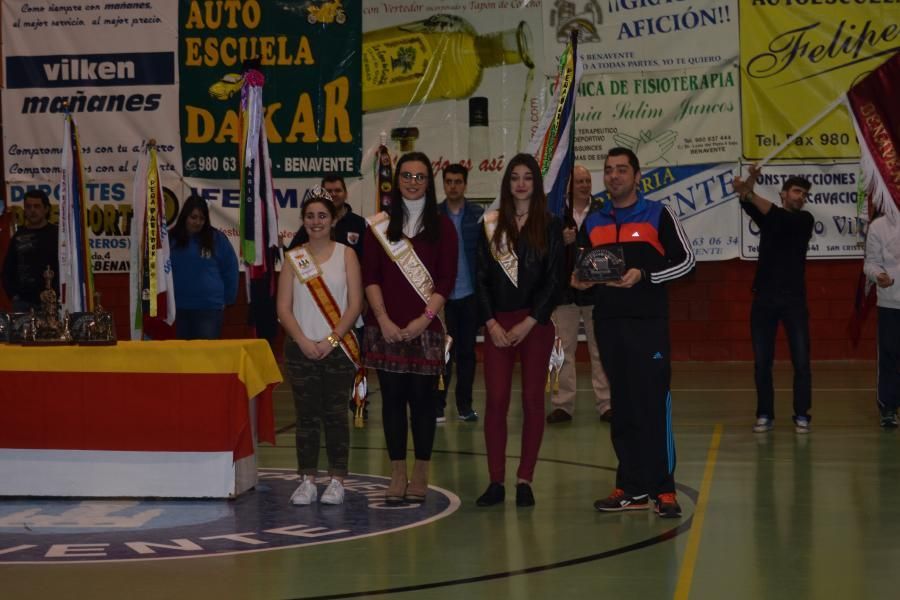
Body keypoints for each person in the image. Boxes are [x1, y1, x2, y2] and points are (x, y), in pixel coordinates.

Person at [575, 147, 694, 518]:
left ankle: (664, 489)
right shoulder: (593, 221)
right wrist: (578, 281)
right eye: (608, 170)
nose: (614, 176)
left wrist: (646, 275)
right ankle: (631, 486)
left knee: (653, 405)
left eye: (622, 170)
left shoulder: (658, 214)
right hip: (608, 324)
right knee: (622, 406)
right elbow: (579, 269)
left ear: (637, 176)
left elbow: (688, 263)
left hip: (648, 326)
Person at [362, 151, 458, 505]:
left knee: (422, 402)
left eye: (419, 176)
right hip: (384, 327)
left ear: (428, 182)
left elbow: (447, 279)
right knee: (392, 401)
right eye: (407, 175)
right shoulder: (379, 226)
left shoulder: (442, 225)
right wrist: (384, 319)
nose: (413, 182)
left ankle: (421, 470)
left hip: (426, 328)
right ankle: (397, 471)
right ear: (396, 179)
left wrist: (424, 320)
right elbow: (370, 277)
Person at [474, 153, 563, 508]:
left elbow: (555, 281)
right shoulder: (491, 224)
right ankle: (496, 481)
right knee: (496, 401)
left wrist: (530, 322)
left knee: (532, 401)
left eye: (528, 177)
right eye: (515, 177)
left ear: (536, 184)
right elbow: (480, 278)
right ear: (507, 183)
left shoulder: (551, 225)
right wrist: (491, 323)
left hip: (535, 325)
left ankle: (524, 479)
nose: (521, 183)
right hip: (498, 325)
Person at [277, 188, 364, 505]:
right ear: (303, 219)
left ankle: (337, 479)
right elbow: (283, 308)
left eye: (322, 216)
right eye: (310, 216)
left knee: (336, 416)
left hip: (337, 351)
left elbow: (355, 305)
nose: (316, 222)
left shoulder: (347, 255)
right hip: (301, 351)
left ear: (333, 219)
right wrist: (303, 341)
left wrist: (332, 339)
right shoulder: (293, 257)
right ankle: (307, 479)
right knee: (306, 418)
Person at [733, 165, 814, 434]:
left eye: (804, 194)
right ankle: (765, 414)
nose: (801, 197)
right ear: (783, 194)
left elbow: (775, 214)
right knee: (762, 362)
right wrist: (751, 181)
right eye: (796, 191)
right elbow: (746, 199)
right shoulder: (768, 217)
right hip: (764, 300)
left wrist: (749, 189)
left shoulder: (804, 221)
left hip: (794, 301)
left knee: (801, 361)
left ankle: (802, 414)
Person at [547, 164, 612, 424]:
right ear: (568, 186)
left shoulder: (604, 211)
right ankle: (562, 404)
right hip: (564, 292)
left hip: (598, 291)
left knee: (601, 349)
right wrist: (559, 241)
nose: (585, 185)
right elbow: (541, 251)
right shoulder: (555, 214)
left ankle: (607, 404)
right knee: (561, 349)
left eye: (587, 181)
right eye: (579, 181)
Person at [434, 163, 483, 423]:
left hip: (470, 296)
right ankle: (438, 406)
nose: (453, 186)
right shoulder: (434, 215)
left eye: (457, 181)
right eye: (448, 181)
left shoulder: (478, 214)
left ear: (465, 185)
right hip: (442, 298)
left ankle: (465, 405)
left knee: (466, 353)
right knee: (443, 354)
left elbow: (486, 257)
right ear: (444, 184)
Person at [169, 195, 239, 339]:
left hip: (209, 309)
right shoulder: (170, 239)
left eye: (202, 218)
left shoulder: (217, 238)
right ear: (184, 217)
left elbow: (230, 269)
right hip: (179, 308)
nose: (198, 222)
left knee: (206, 357)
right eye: (193, 217)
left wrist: (228, 299)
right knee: (182, 357)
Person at [863, 213, 900, 429]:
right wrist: (878, 276)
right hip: (890, 304)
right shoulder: (879, 226)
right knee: (888, 357)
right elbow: (870, 264)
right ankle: (888, 407)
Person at [2, 189, 58, 312]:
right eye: (28, 207)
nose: (32, 210)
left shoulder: (57, 235)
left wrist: (56, 295)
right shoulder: (18, 236)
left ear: (46, 209)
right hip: (23, 303)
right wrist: (14, 296)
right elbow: (7, 271)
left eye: (37, 206)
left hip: (52, 303)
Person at [287, 173, 367, 260]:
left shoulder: (359, 223)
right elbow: (293, 255)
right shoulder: (314, 225)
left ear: (346, 194)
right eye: (329, 191)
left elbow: (369, 258)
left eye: (338, 190)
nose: (333, 194)